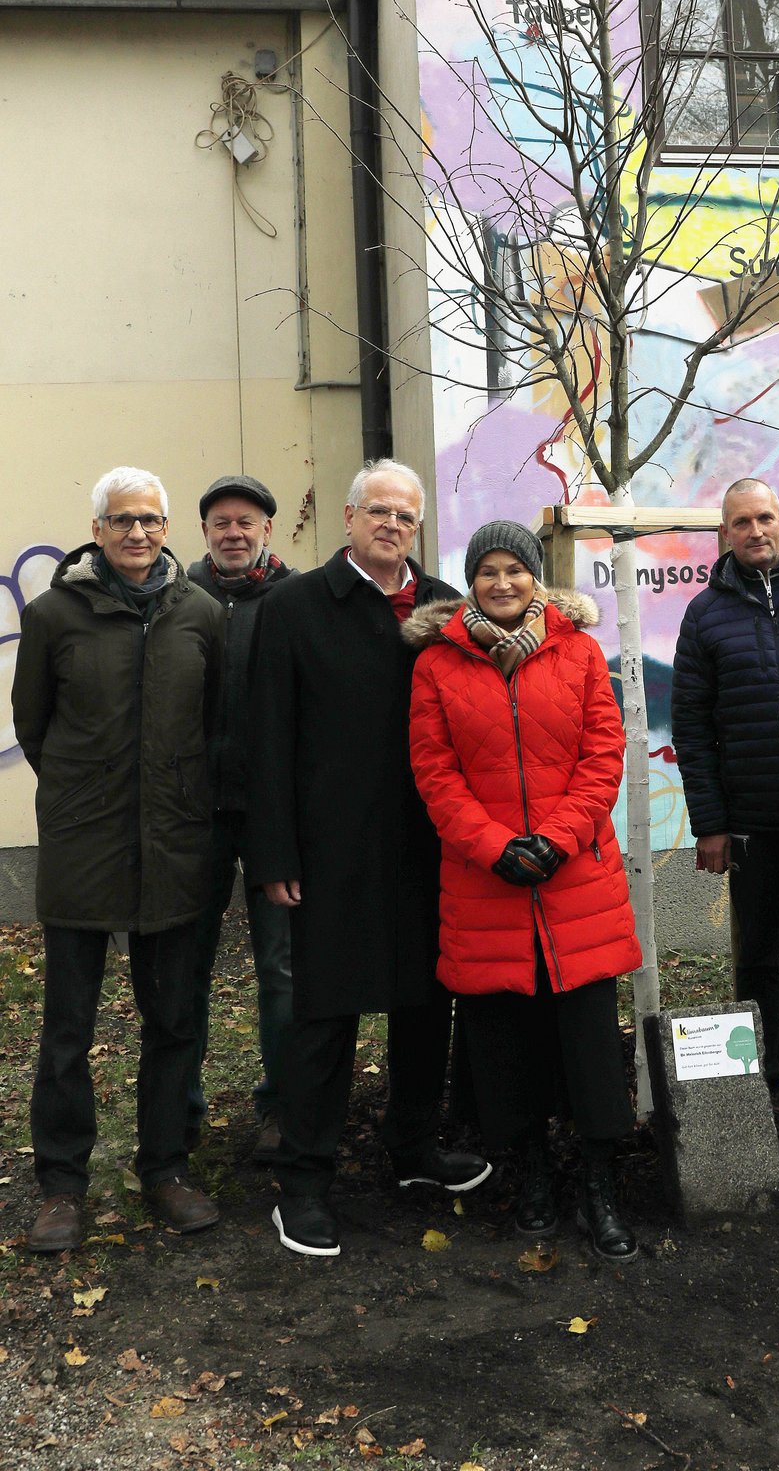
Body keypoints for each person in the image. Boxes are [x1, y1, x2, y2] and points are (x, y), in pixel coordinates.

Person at [246, 459, 489, 1258]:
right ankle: (305, 1181)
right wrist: (274, 850)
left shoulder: (444, 607)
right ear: (349, 519)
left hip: (431, 843)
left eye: (406, 516)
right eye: (378, 510)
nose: (392, 524)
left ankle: (413, 1149)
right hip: (332, 847)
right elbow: (267, 738)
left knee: (427, 1003)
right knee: (326, 1014)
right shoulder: (294, 606)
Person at [407, 521, 642, 1261]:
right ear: (470, 581)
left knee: (592, 1052)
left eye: (516, 570)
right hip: (486, 888)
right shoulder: (437, 666)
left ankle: (599, 1188)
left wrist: (558, 838)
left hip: (577, 884)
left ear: (536, 578)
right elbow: (434, 773)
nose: (502, 583)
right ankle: (532, 1176)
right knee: (506, 1049)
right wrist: (494, 847)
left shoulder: (578, 651)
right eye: (487, 572)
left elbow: (604, 756)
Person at [12, 467, 225, 1251]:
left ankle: (165, 1168)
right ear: (97, 530)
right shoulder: (54, 616)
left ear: (168, 529)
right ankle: (62, 1186)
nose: (139, 533)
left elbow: (209, 727)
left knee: (173, 1021)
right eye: (123, 521)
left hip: (172, 848)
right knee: (68, 1028)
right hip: (84, 846)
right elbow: (32, 726)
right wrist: (87, 791)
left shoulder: (200, 615)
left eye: (152, 520)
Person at [671, 480, 779, 1090]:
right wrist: (711, 824)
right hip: (752, 810)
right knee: (758, 954)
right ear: (724, 533)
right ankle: (760, 1079)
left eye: (764, 518)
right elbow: (692, 726)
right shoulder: (705, 612)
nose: (755, 531)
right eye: (740, 522)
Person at [186, 474, 295, 1165]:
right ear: (205, 533)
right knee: (182, 966)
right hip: (193, 814)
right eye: (221, 521)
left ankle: (282, 1107)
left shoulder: (296, 600)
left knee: (281, 969)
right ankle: (179, 1111)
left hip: (273, 815)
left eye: (245, 521)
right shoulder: (178, 600)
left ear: (266, 531)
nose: (233, 531)